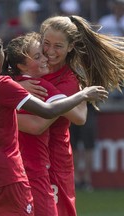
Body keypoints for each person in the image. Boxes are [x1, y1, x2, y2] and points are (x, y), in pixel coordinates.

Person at [0, 28, 108, 216]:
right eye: (1, 51)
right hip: (8, 174)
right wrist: (83, 94)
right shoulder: (5, 86)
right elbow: (49, 112)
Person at [19, 15, 124, 216]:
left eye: (58, 46)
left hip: (52, 162)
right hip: (24, 159)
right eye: (46, 43)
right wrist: (16, 86)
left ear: (71, 47)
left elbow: (40, 125)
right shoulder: (31, 66)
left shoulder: (68, 82)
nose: (49, 51)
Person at [4, 32, 65, 216]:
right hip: (33, 171)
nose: (45, 58)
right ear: (21, 65)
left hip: (8, 173)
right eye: (37, 56)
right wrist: (83, 94)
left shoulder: (3, 87)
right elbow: (79, 115)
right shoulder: (42, 87)